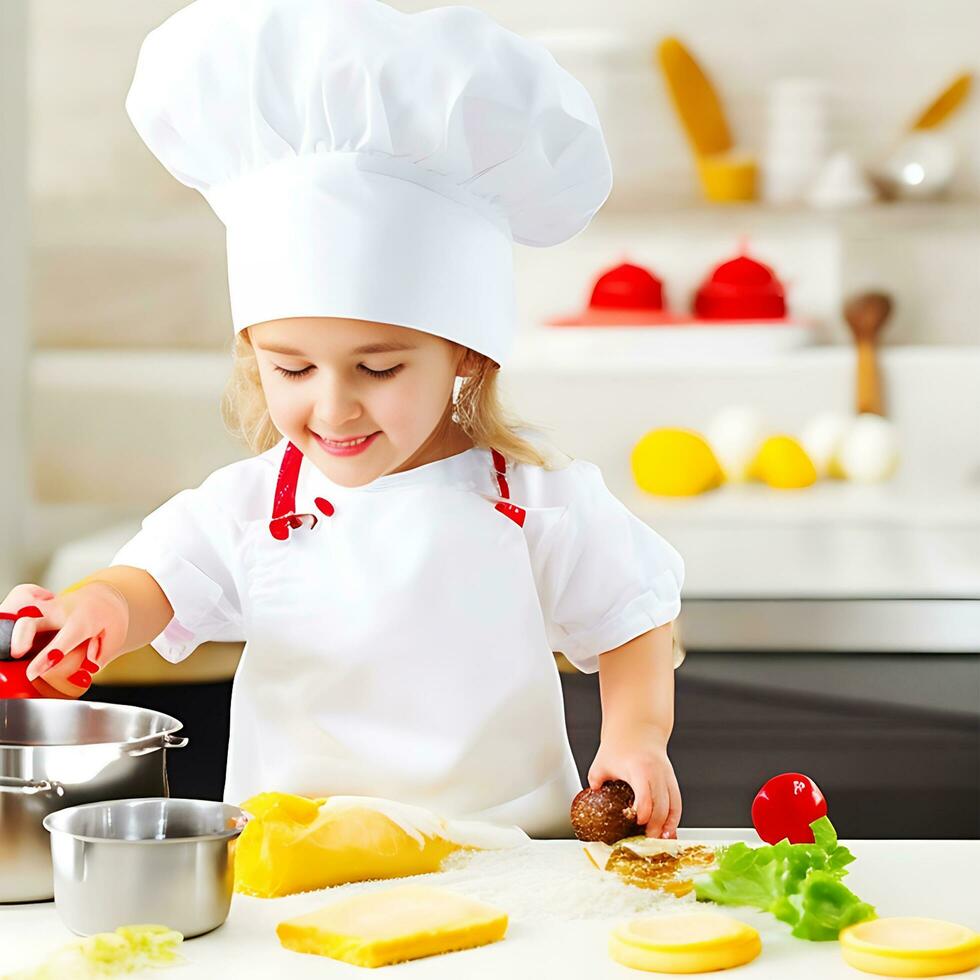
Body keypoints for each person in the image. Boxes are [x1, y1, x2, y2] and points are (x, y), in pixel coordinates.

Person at [2, 0, 684, 839]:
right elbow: (150, 585)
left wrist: (636, 738)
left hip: (510, 859)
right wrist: (93, 614)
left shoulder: (535, 502)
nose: (333, 405)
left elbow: (634, 614)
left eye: (380, 367)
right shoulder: (249, 507)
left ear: (465, 354)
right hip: (296, 865)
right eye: (290, 367)